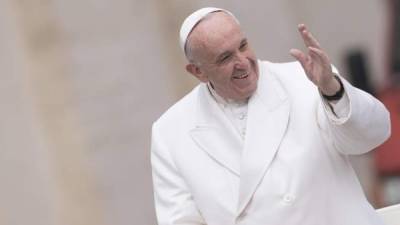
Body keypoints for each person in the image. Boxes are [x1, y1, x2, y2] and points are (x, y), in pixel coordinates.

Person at [150, 7, 391, 225]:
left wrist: (333, 90)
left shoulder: (307, 80)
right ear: (198, 71)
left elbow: (372, 137)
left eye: (243, 46)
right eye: (225, 58)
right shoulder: (170, 132)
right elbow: (180, 219)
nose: (242, 62)